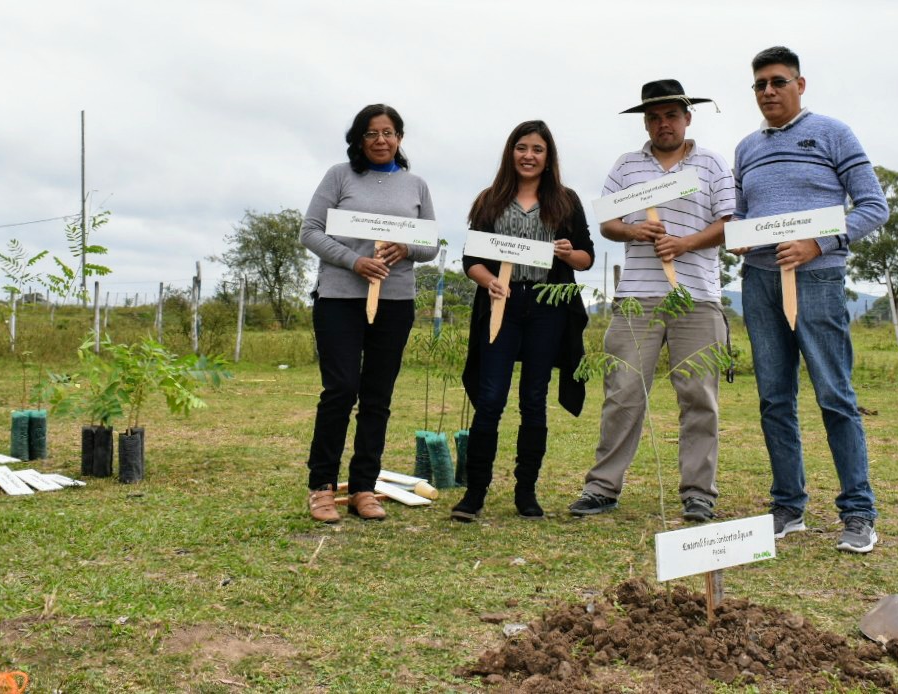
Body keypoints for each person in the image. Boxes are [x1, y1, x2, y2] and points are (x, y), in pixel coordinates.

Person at [733, 47, 889, 552]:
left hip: (818, 280)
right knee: (774, 398)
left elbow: (873, 206)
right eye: (760, 84)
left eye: (778, 81)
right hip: (759, 282)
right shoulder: (746, 149)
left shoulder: (832, 133)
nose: (768, 91)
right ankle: (787, 506)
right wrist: (738, 234)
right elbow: (741, 214)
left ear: (801, 84)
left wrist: (817, 244)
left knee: (834, 396)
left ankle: (858, 512)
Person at [568, 80, 734, 523]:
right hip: (636, 298)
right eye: (654, 117)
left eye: (671, 116)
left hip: (696, 296)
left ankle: (698, 492)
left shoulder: (712, 164)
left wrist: (685, 244)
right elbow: (608, 222)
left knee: (699, 396)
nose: (663, 124)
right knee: (622, 393)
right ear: (646, 122)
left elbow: (728, 223)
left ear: (687, 118)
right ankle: (602, 487)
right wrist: (633, 230)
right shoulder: (626, 166)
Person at [299, 103, 438, 523]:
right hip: (340, 299)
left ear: (400, 138)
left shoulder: (416, 185)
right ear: (359, 140)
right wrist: (353, 261)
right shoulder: (340, 176)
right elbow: (310, 231)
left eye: (389, 132)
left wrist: (406, 248)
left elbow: (429, 245)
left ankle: (363, 487)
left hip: (395, 301)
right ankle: (322, 487)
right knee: (340, 390)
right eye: (372, 133)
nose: (381, 140)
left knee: (377, 397)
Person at [452, 121, 595, 522]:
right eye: (521, 147)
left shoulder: (565, 201)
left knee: (534, 400)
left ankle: (526, 493)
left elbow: (587, 257)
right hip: (503, 304)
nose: (528, 156)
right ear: (510, 153)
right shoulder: (490, 200)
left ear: (549, 157)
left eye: (537, 149)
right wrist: (491, 282)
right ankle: (475, 493)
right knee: (490, 398)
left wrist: (568, 254)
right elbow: (471, 259)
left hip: (548, 307)